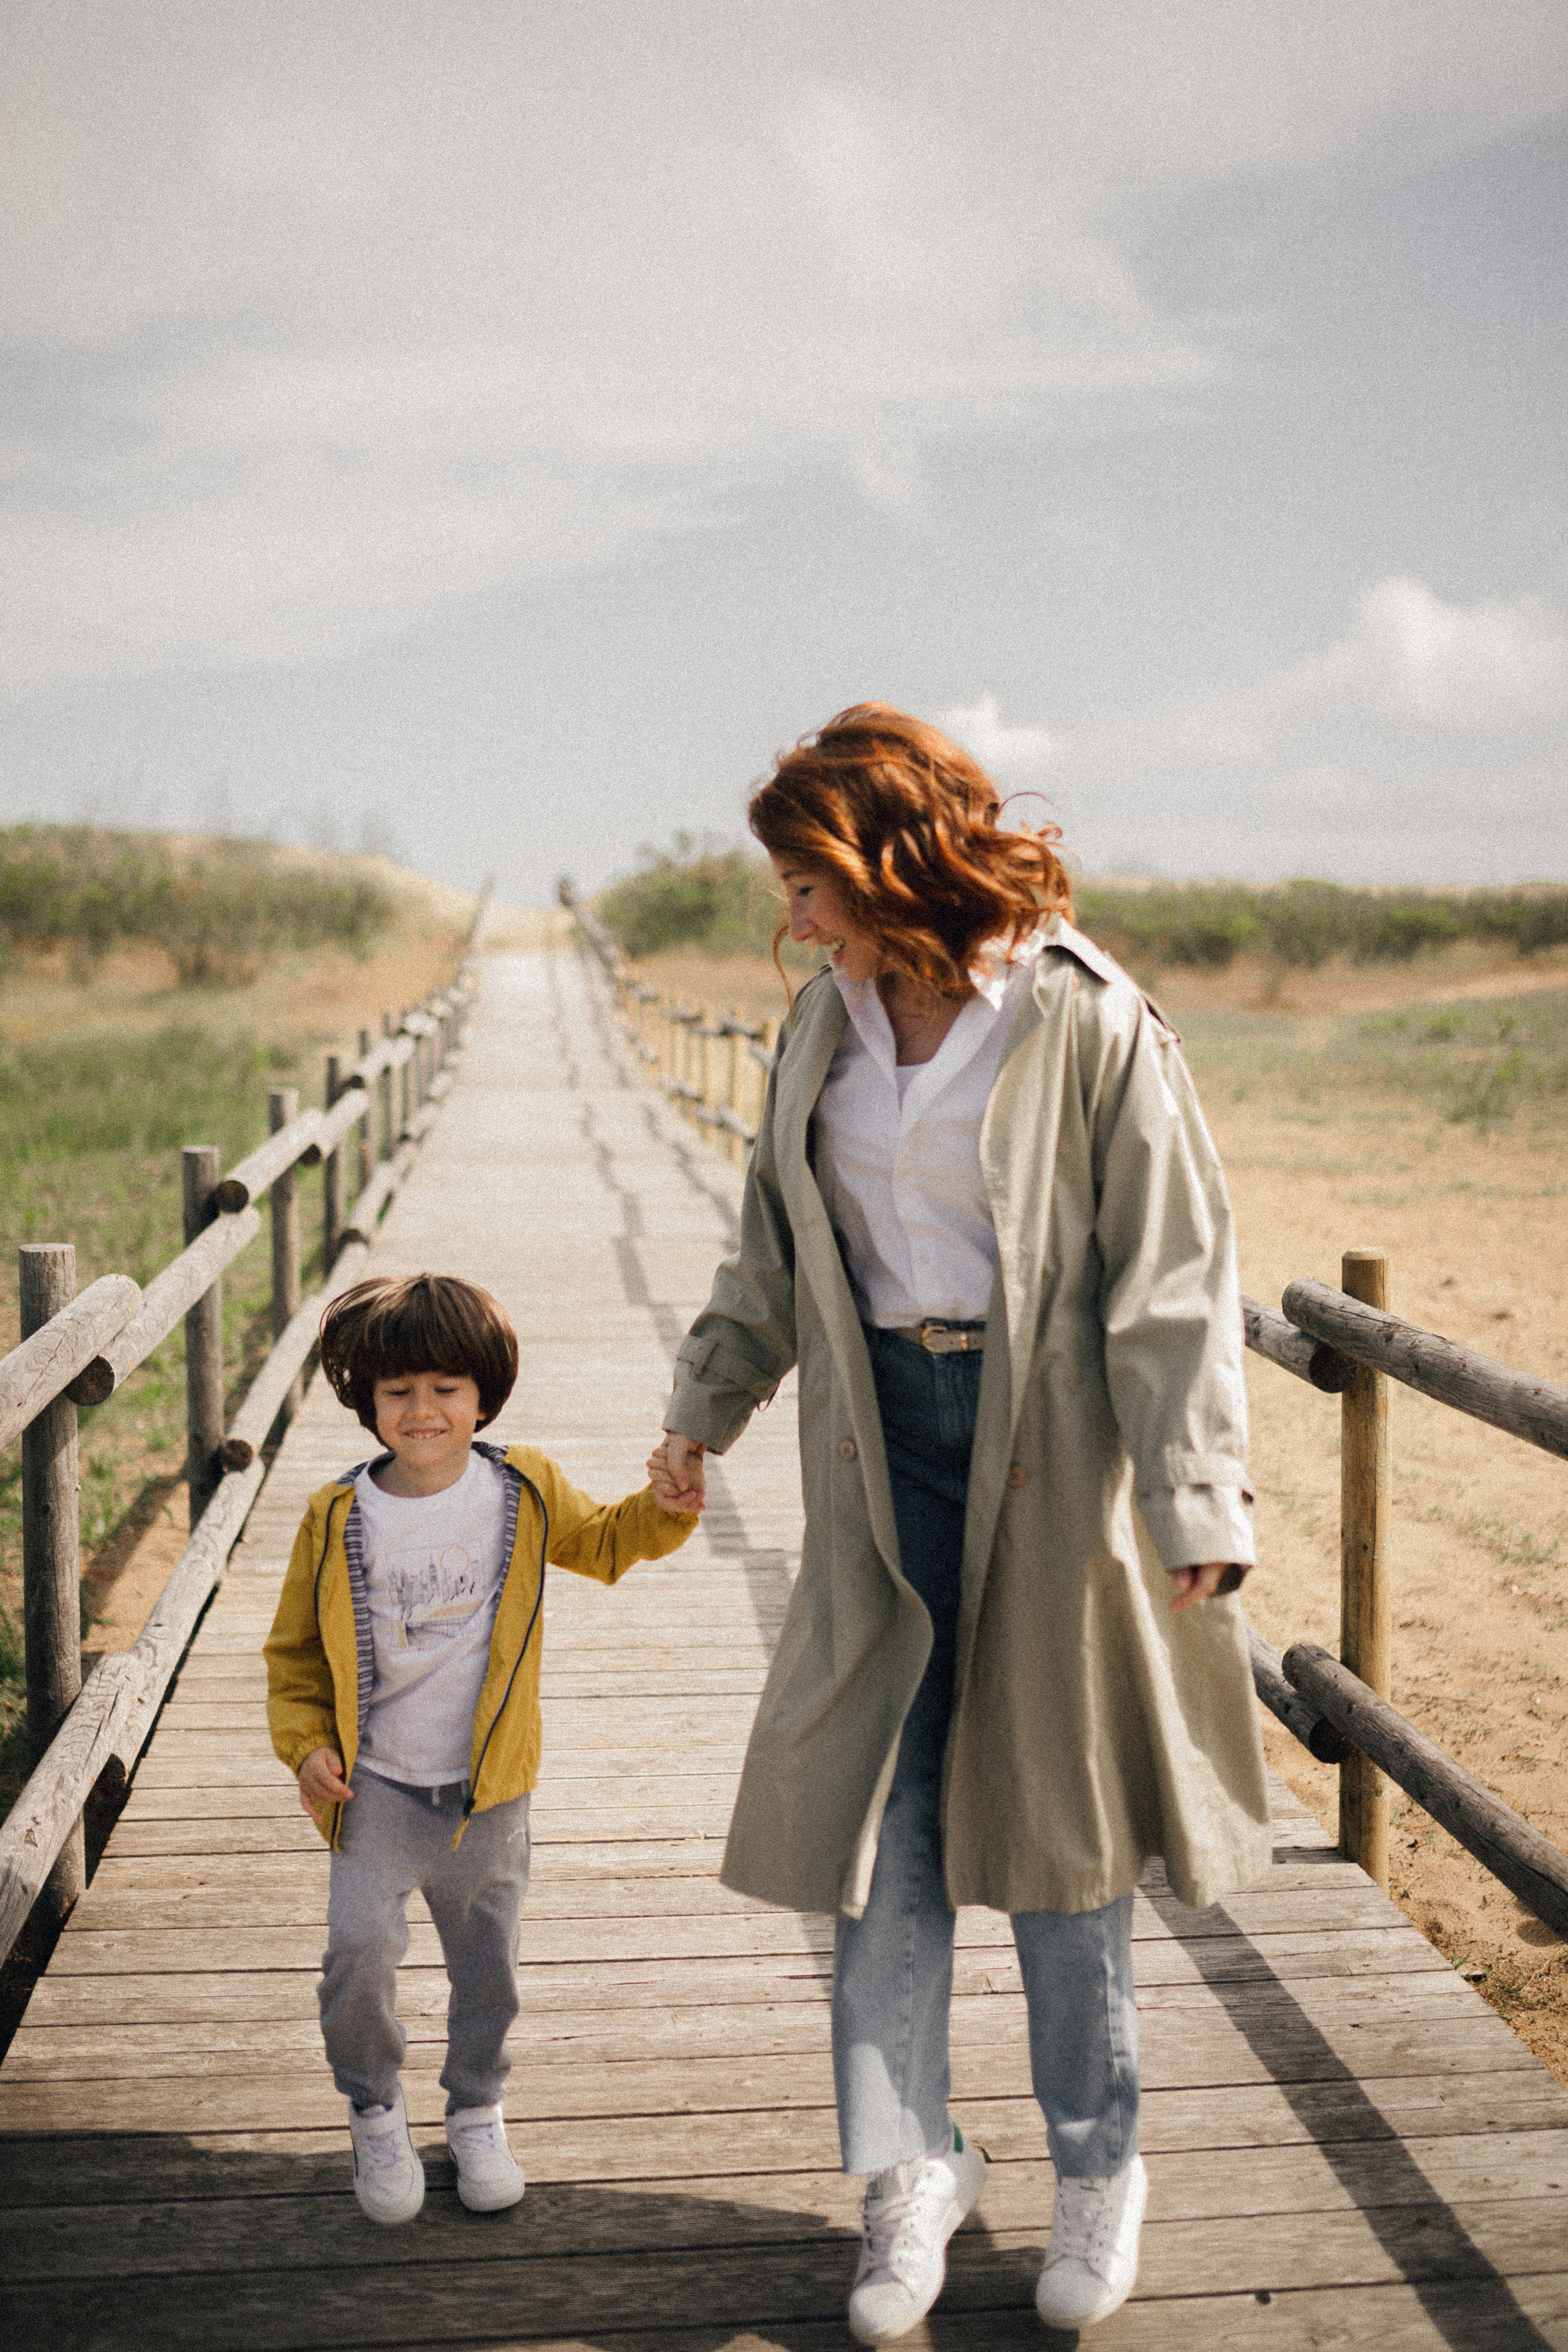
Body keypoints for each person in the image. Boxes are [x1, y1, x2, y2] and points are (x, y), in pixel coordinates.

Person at [647, 705, 1270, 2341]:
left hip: (1056, 1463)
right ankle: (910, 2173)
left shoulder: (1085, 1019)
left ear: (886, 860)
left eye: (807, 881)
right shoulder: (818, 1027)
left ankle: (1097, 2166)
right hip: (879, 1463)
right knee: (884, 1836)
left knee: (1062, 1846)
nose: (788, 916)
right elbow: (776, 1257)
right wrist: (704, 1405)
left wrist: (1197, 1491)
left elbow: (1174, 1280)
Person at [265, 1272, 696, 2227]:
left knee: (487, 1965)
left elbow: (609, 1541)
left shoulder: (524, 1488)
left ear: (484, 1396)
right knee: (358, 1955)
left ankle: (476, 2108)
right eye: (398, 1392)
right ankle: (375, 2105)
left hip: (486, 1794)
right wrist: (304, 1748)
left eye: (447, 1389)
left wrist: (667, 1504)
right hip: (373, 1789)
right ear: (367, 1402)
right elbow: (294, 1655)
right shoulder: (335, 1519)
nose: (423, 1412)